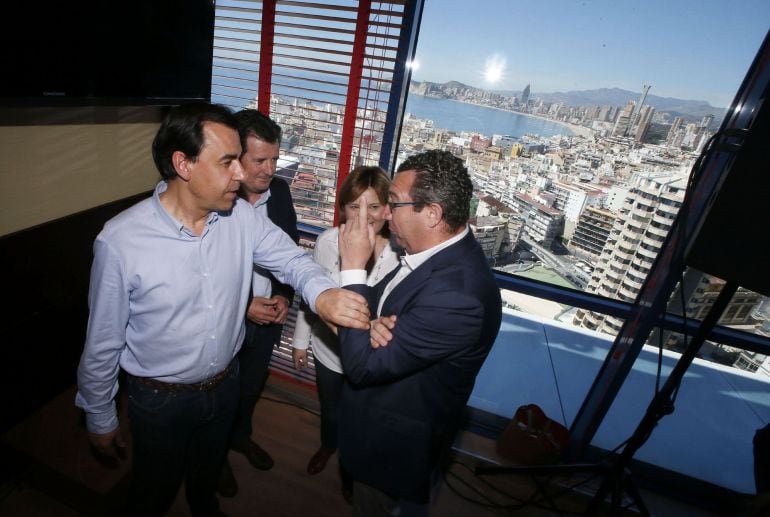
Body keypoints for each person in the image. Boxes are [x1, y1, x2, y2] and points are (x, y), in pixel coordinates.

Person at [75, 102, 370, 517]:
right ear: (184, 164)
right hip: (160, 400)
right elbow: (103, 342)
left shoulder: (241, 219)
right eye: (229, 161)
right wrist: (99, 415)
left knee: (205, 476)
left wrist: (323, 295)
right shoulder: (121, 242)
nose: (241, 174)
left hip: (224, 384)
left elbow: (292, 260)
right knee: (153, 491)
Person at [336, 149, 503, 516]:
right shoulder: (430, 255)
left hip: (392, 442)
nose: (383, 214)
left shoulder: (458, 297)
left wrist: (352, 268)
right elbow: (378, 309)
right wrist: (369, 323)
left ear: (432, 213)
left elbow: (362, 367)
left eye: (394, 204)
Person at [292, 166, 399, 483]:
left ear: (388, 209)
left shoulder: (400, 256)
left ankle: (352, 470)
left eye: (374, 206)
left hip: (373, 361)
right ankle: (328, 446)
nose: (364, 216)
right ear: (343, 208)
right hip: (328, 352)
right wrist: (300, 342)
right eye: (355, 206)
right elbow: (311, 296)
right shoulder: (326, 243)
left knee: (363, 418)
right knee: (331, 408)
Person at [216, 109, 298, 497]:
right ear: (235, 158)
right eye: (260, 160)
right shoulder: (215, 201)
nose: (270, 170)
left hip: (268, 320)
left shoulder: (279, 192)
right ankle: (214, 460)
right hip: (226, 321)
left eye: (275, 159)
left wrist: (283, 295)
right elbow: (203, 271)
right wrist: (243, 303)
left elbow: (291, 253)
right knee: (220, 396)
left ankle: (240, 437)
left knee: (250, 389)